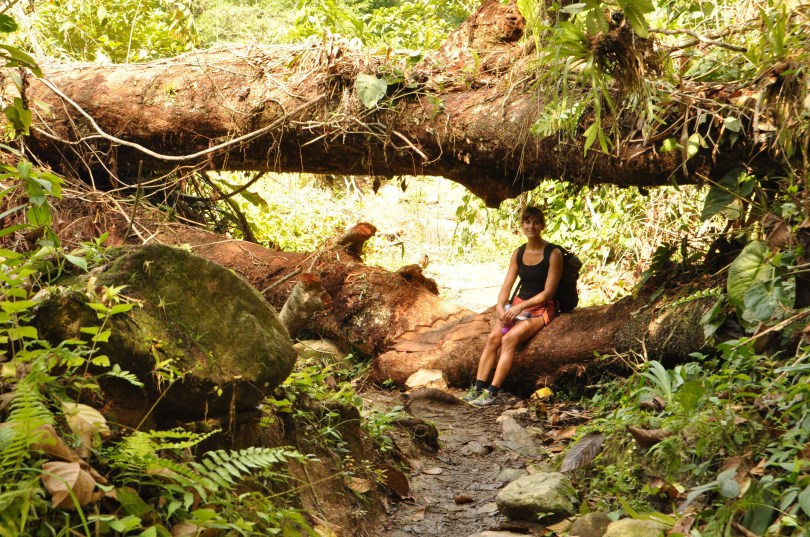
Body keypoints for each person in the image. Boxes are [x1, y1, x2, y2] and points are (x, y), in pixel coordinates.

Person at [462, 206, 563, 407]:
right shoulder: (519, 252)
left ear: (542, 225)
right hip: (517, 306)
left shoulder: (553, 253)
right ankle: (478, 388)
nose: (531, 226)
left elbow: (547, 293)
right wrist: (501, 309)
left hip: (541, 308)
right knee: (493, 337)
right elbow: (506, 287)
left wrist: (519, 308)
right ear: (522, 225)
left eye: (536, 222)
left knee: (508, 339)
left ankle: (492, 392)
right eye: (527, 222)